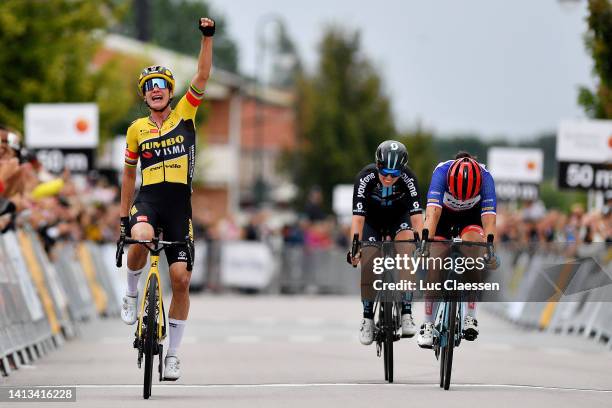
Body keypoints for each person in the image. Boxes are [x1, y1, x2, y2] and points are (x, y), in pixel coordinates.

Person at [118, 17, 215, 381]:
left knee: (181, 280)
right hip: (149, 201)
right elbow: (129, 175)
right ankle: (130, 292)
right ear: (144, 96)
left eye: (161, 85)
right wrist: (124, 215)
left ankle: (173, 353)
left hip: (179, 207)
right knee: (140, 238)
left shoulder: (185, 114)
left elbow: (203, 76)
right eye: (149, 87)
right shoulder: (135, 130)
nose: (155, 90)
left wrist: (207, 38)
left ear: (169, 91)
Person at [417, 152, 497, 348]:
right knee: (435, 260)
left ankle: (470, 316)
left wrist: (489, 249)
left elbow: (489, 220)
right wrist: (425, 244)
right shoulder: (441, 172)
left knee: (474, 253)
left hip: (471, 219)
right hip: (443, 218)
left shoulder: (486, 178)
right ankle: (427, 323)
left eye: (466, 196)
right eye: (457, 195)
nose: (461, 200)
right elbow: (433, 214)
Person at [348, 140, 423, 345]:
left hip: (399, 220)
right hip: (372, 221)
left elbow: (417, 217)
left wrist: (423, 245)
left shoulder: (409, 179)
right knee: (369, 260)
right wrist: (355, 247)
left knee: (407, 251)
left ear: (402, 170)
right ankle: (367, 318)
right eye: (385, 173)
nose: (389, 178)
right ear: (378, 165)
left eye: (395, 174)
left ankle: (407, 312)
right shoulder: (365, 177)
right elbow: (358, 219)